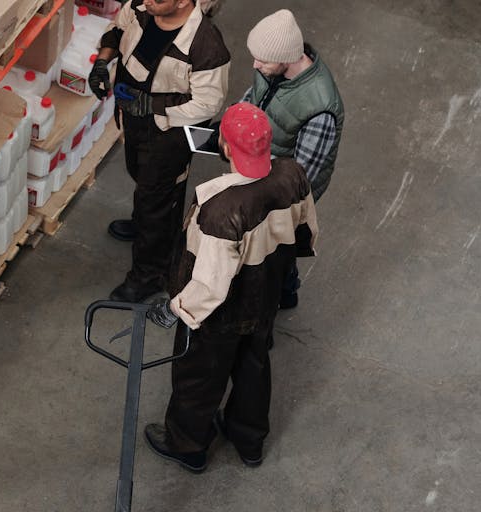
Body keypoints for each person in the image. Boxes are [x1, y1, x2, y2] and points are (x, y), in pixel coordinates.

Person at [142, 102, 318, 472]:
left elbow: (210, 283)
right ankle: (248, 439)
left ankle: (187, 444)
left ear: (224, 147)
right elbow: (306, 231)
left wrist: (176, 308)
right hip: (264, 297)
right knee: (253, 365)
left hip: (220, 315)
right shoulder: (293, 175)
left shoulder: (220, 209)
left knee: (199, 377)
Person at [88, 0, 230, 303]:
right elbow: (116, 31)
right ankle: (145, 225)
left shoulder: (205, 45)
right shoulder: (141, 8)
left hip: (170, 133)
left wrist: (152, 108)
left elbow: (208, 104)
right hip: (135, 118)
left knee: (158, 198)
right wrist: (102, 62)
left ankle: (150, 275)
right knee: (140, 178)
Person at [242, 9, 344, 308]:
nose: (255, 64)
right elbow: (256, 95)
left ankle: (281, 295)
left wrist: (254, 169)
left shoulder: (320, 108)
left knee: (277, 247)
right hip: (263, 170)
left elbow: (300, 179)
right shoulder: (271, 66)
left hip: (285, 192)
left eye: (262, 60)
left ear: (287, 58)